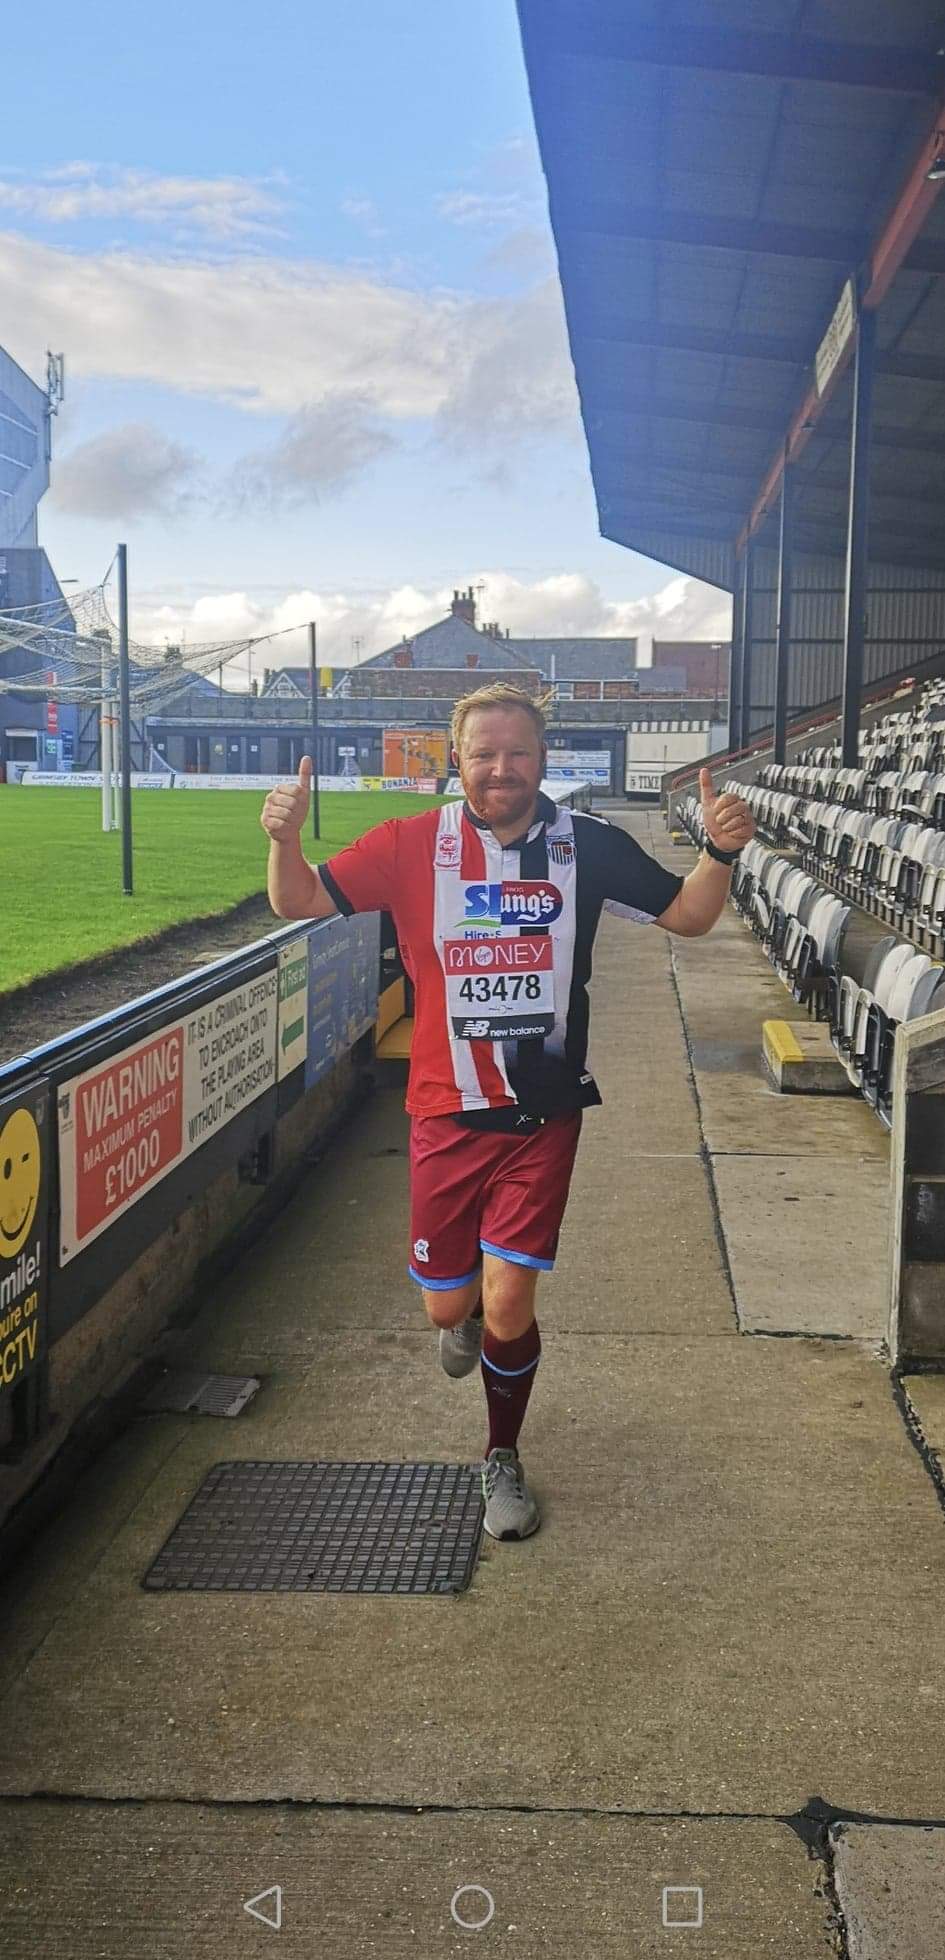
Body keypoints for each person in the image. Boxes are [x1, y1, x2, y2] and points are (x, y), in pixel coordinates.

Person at [261, 683, 755, 1542]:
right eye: (483, 754)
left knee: (507, 1304)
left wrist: (720, 852)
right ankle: (461, 1328)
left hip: (541, 1114)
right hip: (444, 1115)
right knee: (447, 1312)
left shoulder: (586, 847)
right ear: (456, 761)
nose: (501, 769)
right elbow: (298, 901)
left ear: (541, 758)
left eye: (517, 752)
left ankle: (501, 1456)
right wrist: (281, 841)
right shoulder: (411, 845)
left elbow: (687, 916)